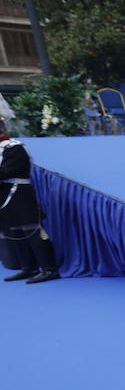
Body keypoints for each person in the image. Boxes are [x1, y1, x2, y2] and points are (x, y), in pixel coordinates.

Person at [0, 118, 58, 284]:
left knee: (31, 230)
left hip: (18, 192)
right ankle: (27, 267)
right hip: (4, 192)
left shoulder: (14, 147)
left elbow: (9, 170)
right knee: (13, 230)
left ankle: (48, 268)